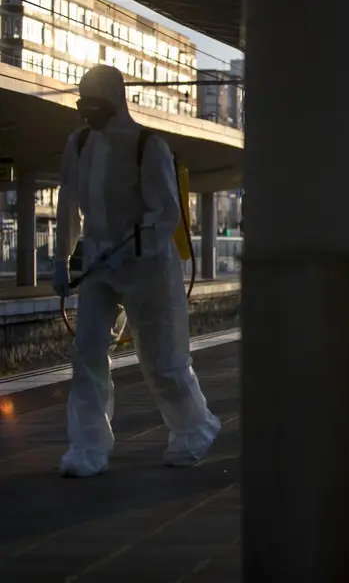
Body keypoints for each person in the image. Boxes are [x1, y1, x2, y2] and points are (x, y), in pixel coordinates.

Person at [52, 65, 222, 477]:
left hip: (148, 267)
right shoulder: (77, 145)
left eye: (96, 100)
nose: (88, 110)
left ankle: (193, 429)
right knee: (88, 353)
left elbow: (164, 213)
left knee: (162, 358)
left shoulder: (149, 148)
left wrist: (130, 248)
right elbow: (67, 206)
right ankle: (87, 447)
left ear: (116, 99)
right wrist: (62, 262)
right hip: (97, 264)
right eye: (83, 100)